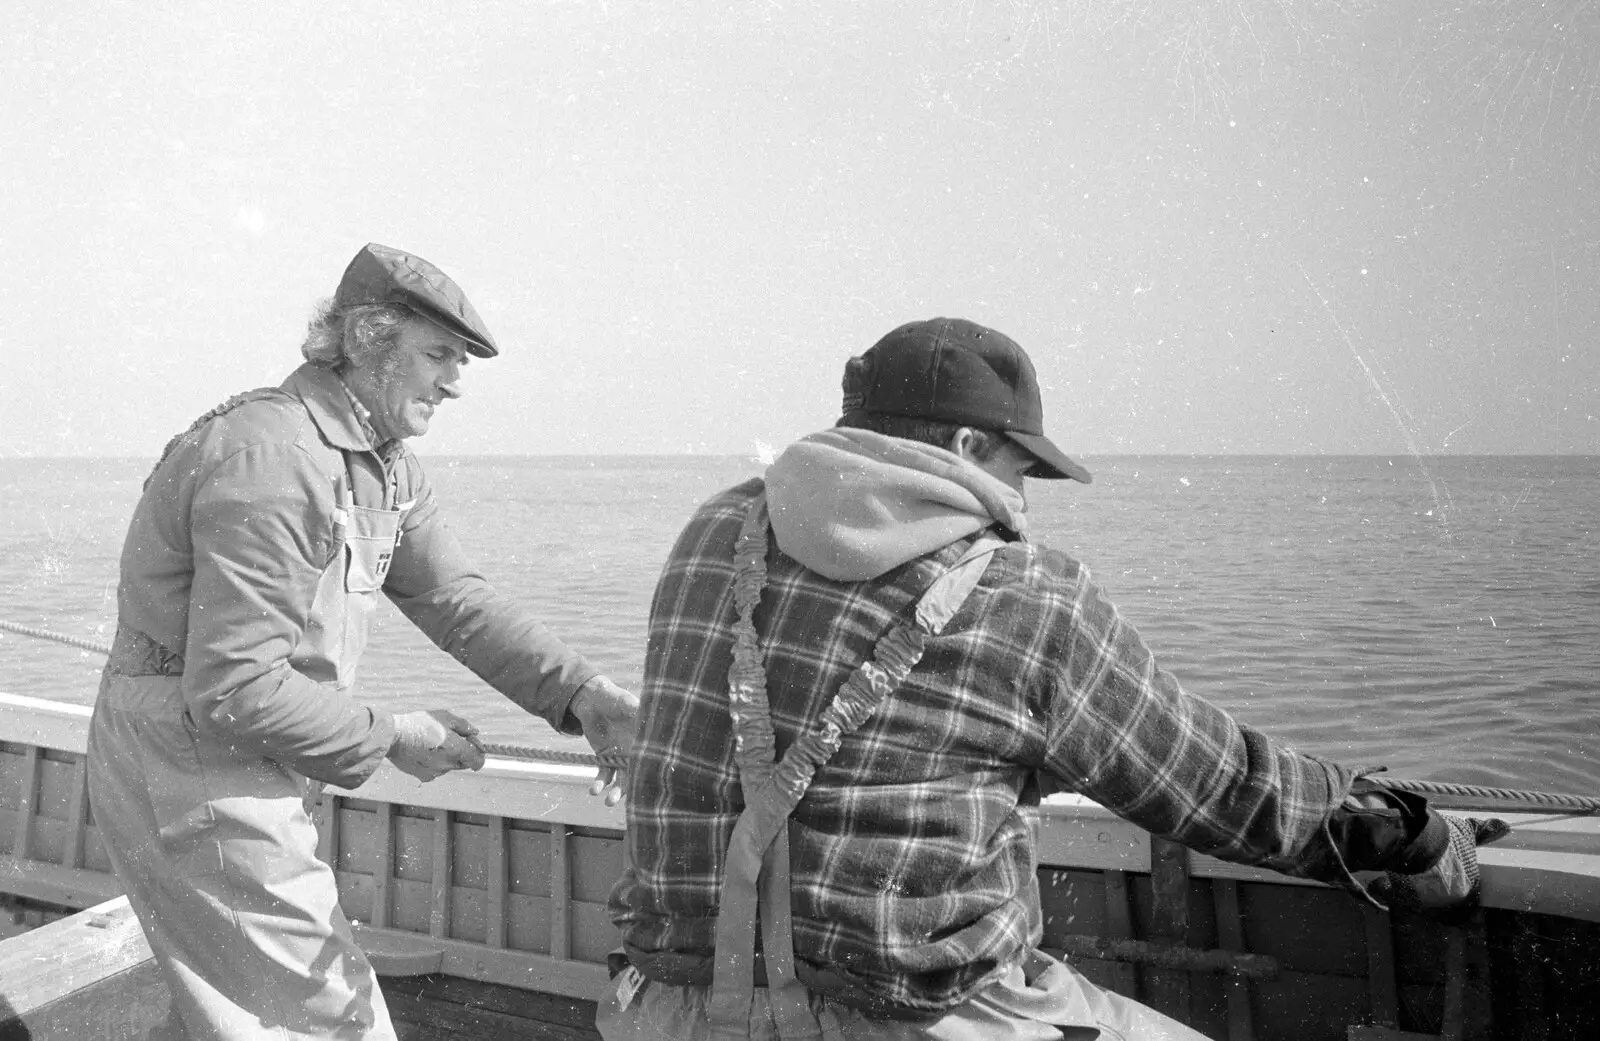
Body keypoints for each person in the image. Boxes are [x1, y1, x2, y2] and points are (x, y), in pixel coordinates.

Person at [601, 317, 1507, 1040]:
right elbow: (1219, 783)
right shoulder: (1024, 591)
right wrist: (1407, 837)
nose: (1024, 500)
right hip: (912, 1022)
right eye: (1020, 468)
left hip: (667, 1007)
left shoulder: (714, 532)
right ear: (963, 443)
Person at [86, 243, 639, 1041]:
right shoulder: (278, 458)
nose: (452, 382)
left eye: (459, 361)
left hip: (241, 750)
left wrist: (585, 696)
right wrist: (393, 735)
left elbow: (455, 598)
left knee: (241, 1013)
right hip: (189, 761)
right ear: (372, 340)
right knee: (335, 1024)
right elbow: (233, 688)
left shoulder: (380, 464)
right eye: (437, 355)